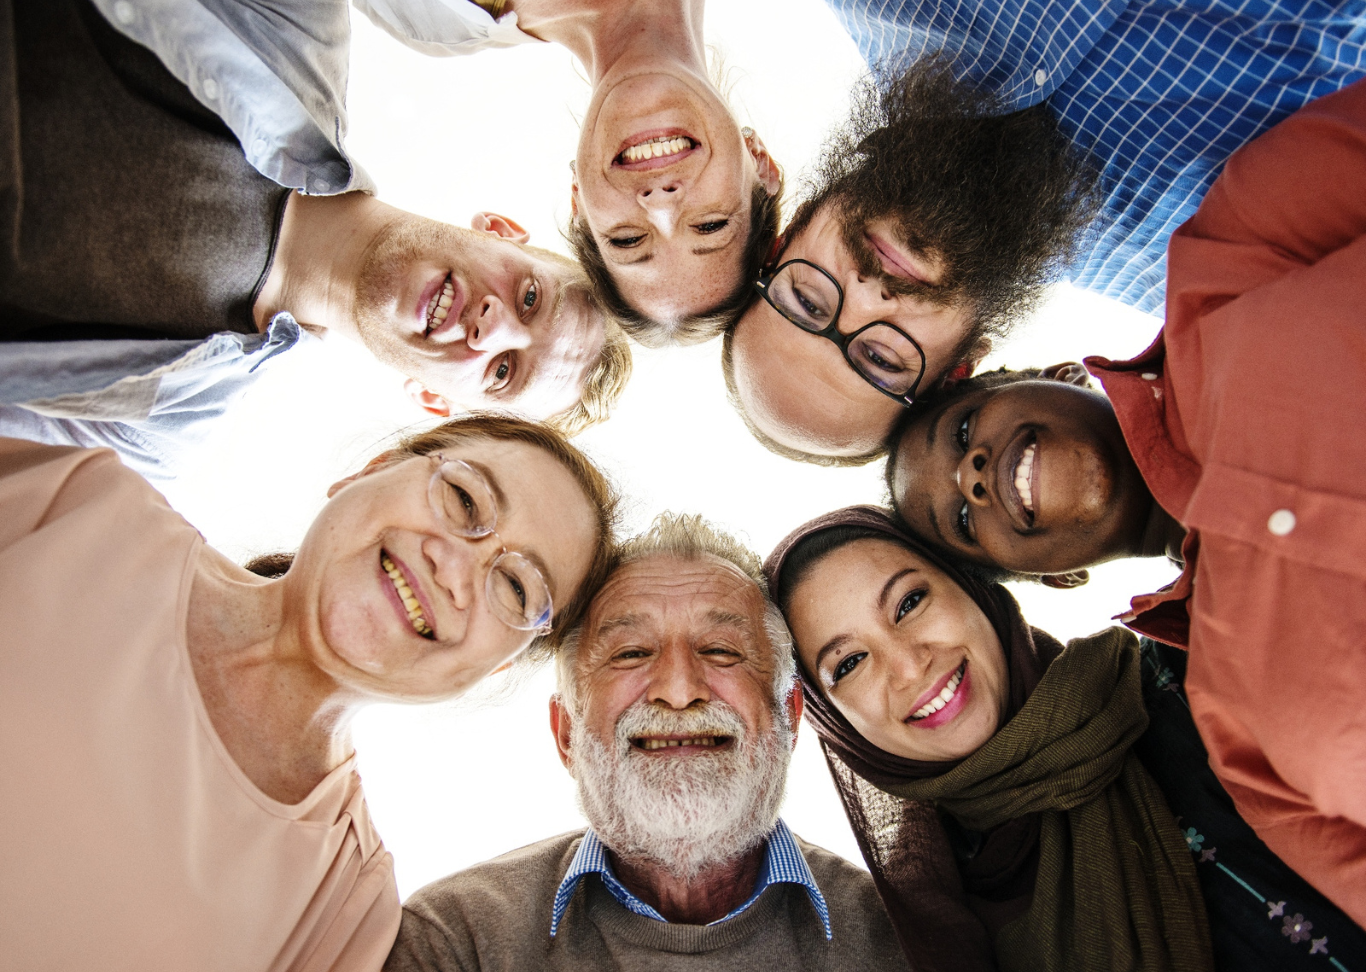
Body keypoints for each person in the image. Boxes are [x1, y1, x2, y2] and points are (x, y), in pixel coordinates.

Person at [886, 77, 1366, 927]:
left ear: (1047, 375)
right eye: (962, 522)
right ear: (1056, 579)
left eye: (963, 434)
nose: (970, 478)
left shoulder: (1237, 251)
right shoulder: (1237, 731)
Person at [0, 414, 619, 970]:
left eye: (515, 588)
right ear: (365, 473)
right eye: (462, 497)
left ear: (496, 670)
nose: (455, 567)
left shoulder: (345, 912)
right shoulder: (80, 504)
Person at [0, 0, 629, 478]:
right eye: (528, 298)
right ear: (500, 231)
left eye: (502, 371)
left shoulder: (165, 428)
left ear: (434, 401)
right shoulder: (296, 28)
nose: (491, 326)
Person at [725, 0, 1366, 463]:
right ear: (959, 370)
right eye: (881, 357)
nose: (867, 296)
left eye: (807, 302)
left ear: (785, 241)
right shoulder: (1212, 262)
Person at [766, 506, 1366, 971]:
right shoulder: (924, 919)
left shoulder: (1188, 672)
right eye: (847, 665)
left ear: (973, 588)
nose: (907, 665)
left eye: (911, 602)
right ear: (834, 723)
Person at [385, 513, 912, 972]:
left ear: (789, 719)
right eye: (631, 653)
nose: (679, 690)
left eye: (722, 650)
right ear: (566, 731)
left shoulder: (913, 944)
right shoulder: (455, 941)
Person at [88, 0, 781, 346]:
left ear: (579, 201)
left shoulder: (436, 18)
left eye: (627, 240)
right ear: (761, 164)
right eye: (709, 224)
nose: (659, 204)